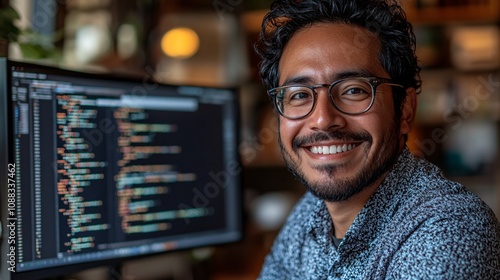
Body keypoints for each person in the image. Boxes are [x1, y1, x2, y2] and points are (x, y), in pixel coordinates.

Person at [254, 0, 500, 278]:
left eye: (354, 90)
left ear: (405, 109)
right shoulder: (311, 210)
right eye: (299, 94)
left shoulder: (449, 227)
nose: (322, 119)